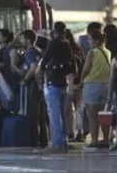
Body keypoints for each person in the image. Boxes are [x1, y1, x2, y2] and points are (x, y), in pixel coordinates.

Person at [38, 22, 74, 152]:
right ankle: (63, 141)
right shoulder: (67, 43)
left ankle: (56, 143)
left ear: (54, 30)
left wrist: (42, 71)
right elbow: (72, 63)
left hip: (53, 80)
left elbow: (45, 58)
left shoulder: (53, 43)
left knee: (54, 113)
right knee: (63, 113)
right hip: (64, 81)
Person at [79, 29, 111, 149]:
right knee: (104, 114)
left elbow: (86, 68)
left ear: (96, 40)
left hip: (92, 85)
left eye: (90, 40)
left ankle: (94, 140)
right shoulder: (107, 52)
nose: (89, 42)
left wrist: (81, 80)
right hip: (105, 85)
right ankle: (106, 139)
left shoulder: (92, 53)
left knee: (92, 115)